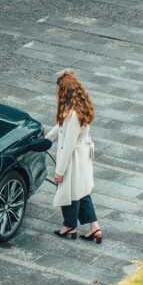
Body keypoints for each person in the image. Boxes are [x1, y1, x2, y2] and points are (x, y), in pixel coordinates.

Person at [46, 71, 101, 243]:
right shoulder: (79, 108)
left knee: (68, 192)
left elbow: (68, 145)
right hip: (81, 157)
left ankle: (70, 226)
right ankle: (94, 227)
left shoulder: (73, 115)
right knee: (81, 192)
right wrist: (45, 140)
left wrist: (59, 171)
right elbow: (60, 127)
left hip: (74, 159)